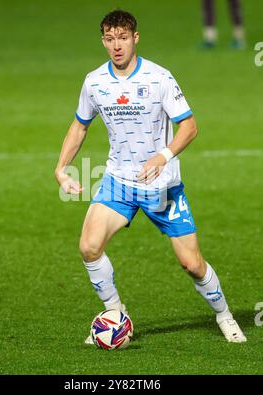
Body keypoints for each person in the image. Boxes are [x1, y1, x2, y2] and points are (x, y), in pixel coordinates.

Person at [55, 9, 247, 344]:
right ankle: (116, 314)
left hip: (163, 187)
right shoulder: (95, 82)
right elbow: (79, 125)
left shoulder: (159, 78)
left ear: (135, 38)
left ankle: (224, 315)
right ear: (104, 41)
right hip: (118, 181)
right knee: (88, 246)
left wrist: (164, 155)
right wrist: (61, 168)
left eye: (123, 38)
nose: (117, 46)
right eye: (110, 39)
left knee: (192, 264)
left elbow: (189, 126)